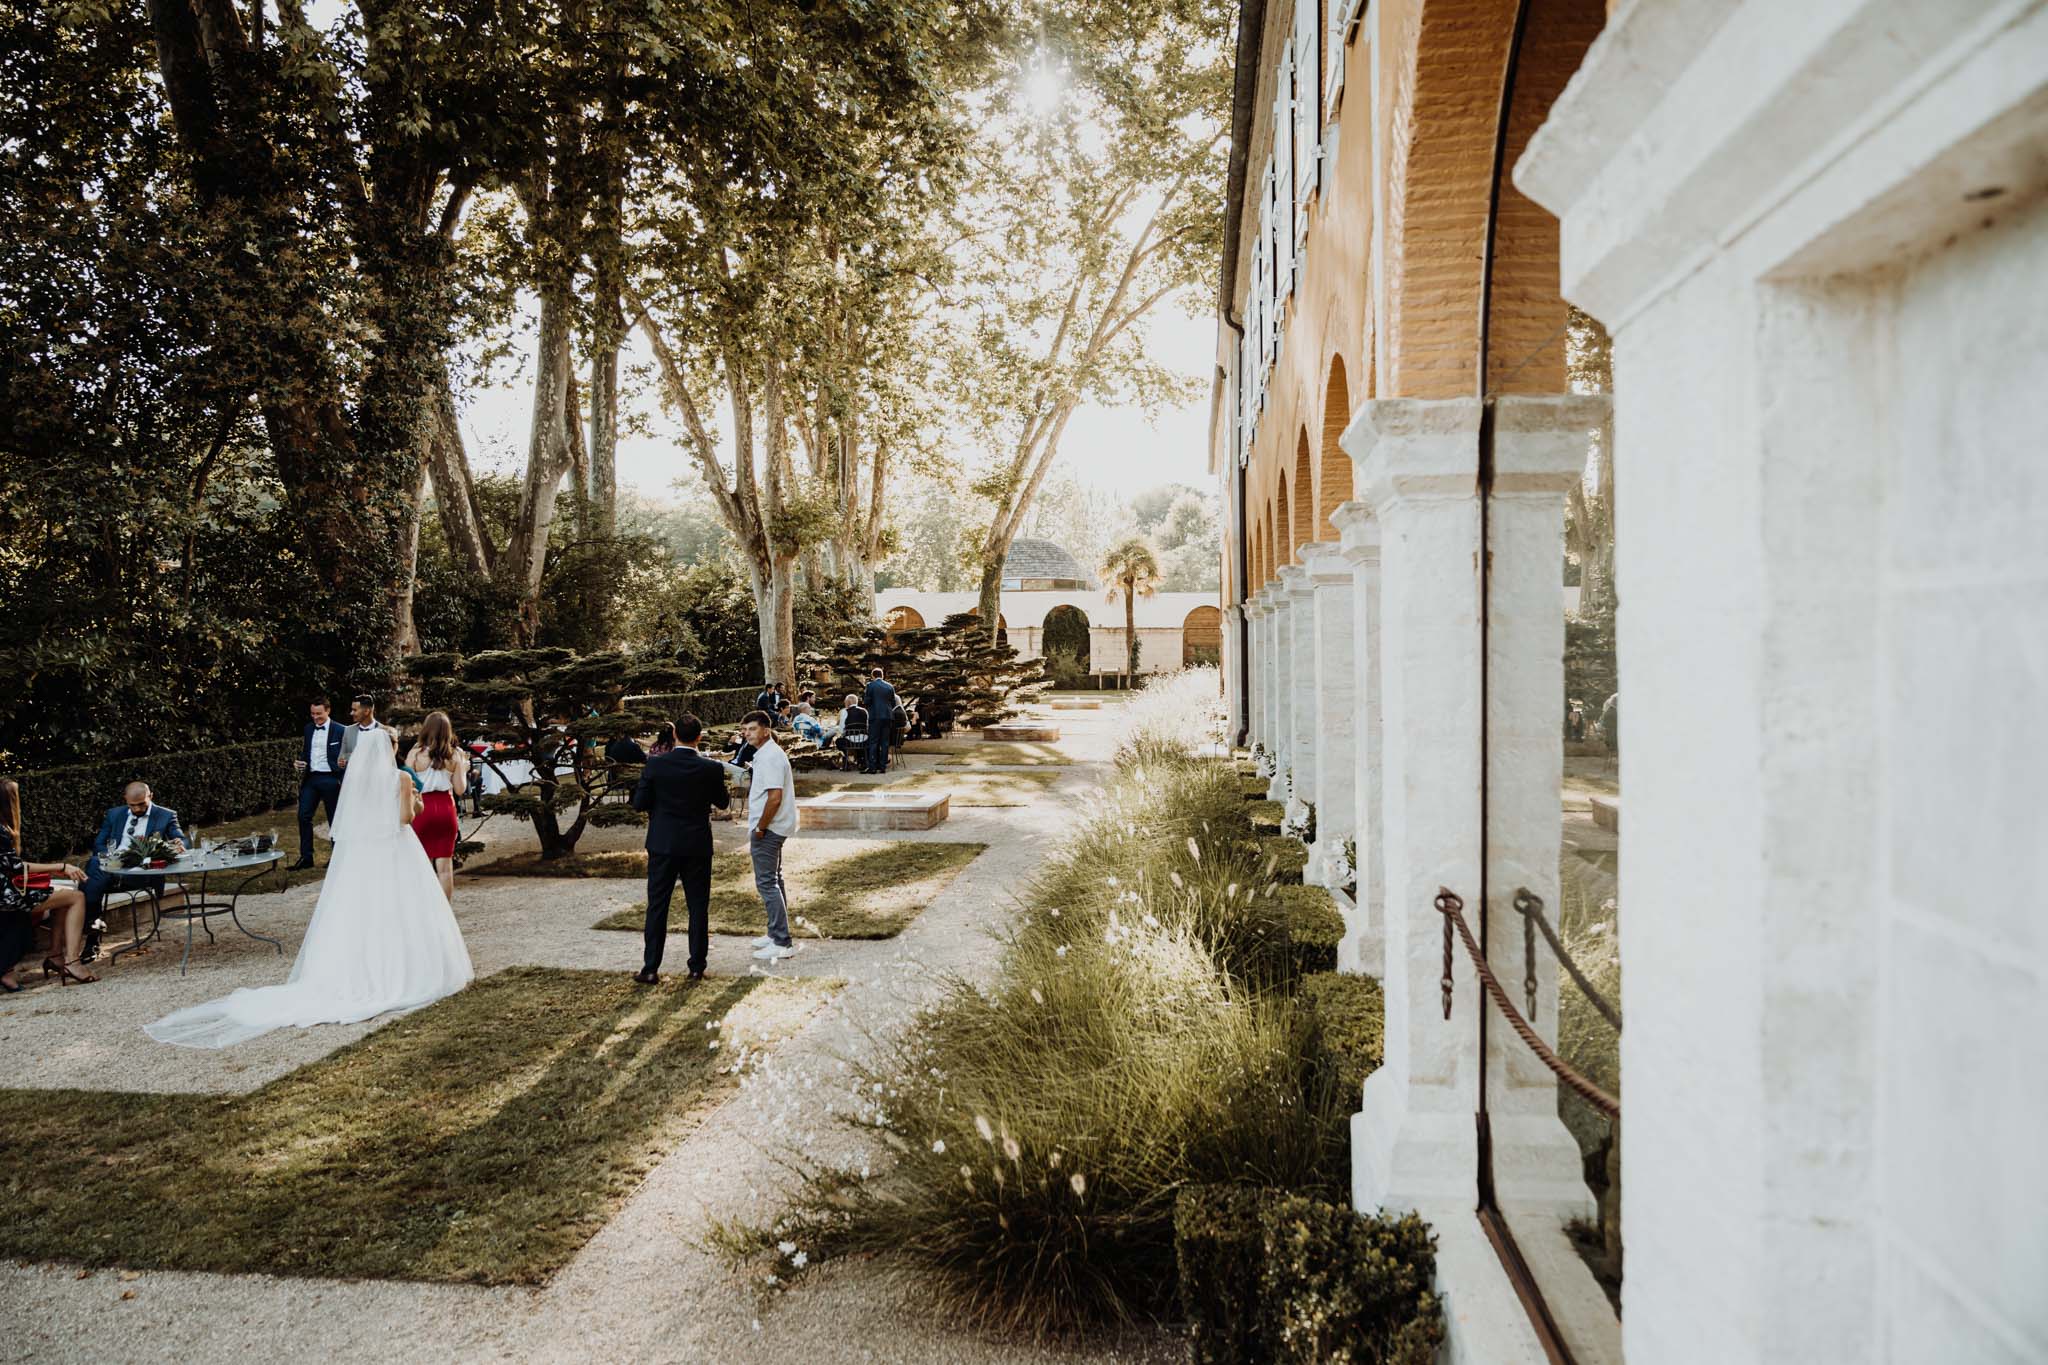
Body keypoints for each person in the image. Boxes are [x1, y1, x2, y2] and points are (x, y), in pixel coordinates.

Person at [145, 727, 472, 1048]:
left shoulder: (357, 781)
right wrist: (417, 803)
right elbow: (404, 818)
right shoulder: (399, 778)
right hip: (397, 848)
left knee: (367, 908)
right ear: (389, 749)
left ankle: (361, 971)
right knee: (400, 906)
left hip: (367, 854)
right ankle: (403, 969)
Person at [628, 714, 730, 985]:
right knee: (698, 906)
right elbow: (722, 803)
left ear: (675, 736)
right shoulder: (711, 768)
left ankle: (650, 967)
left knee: (657, 905)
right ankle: (696, 966)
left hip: (663, 842)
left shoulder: (656, 765)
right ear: (699, 737)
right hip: (696, 843)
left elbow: (639, 803)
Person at [0, 779, 94, 990]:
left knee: (65, 896)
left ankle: (55, 955)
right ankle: (72, 961)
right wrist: (61, 866)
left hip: (8, 891)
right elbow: (15, 866)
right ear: (11, 801)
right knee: (77, 897)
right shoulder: (1, 829)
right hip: (6, 897)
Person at [739, 711, 800, 962]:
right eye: (745, 729)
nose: (747, 733)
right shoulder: (763, 754)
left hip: (770, 828)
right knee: (775, 879)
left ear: (765, 730)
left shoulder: (771, 756)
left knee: (766, 882)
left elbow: (775, 797)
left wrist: (761, 827)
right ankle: (775, 932)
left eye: (752, 729)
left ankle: (782, 941)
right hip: (774, 826)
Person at [83, 782, 186, 923]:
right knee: (95, 864)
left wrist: (178, 843)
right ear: (125, 798)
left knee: (90, 882)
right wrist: (111, 858)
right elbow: (99, 844)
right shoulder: (114, 814)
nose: (137, 809)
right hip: (112, 867)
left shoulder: (166, 815)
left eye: (142, 804)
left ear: (151, 796)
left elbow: (182, 840)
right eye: (132, 805)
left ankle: (90, 928)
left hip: (142, 872)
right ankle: (92, 928)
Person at [405, 711, 469, 902]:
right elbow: (460, 789)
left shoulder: (415, 754)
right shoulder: (456, 755)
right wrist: (463, 769)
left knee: (421, 865)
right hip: (445, 809)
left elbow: (407, 785)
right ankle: (445, 915)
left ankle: (424, 910)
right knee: (445, 868)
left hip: (422, 809)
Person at [292, 696, 347, 870]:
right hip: (311, 778)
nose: (315, 717)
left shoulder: (341, 730)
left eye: (319, 714)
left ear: (328, 711)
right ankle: (306, 858)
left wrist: (344, 766)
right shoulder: (308, 729)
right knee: (303, 816)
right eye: (312, 714)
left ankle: (336, 858)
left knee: (334, 820)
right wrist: (300, 762)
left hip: (331, 778)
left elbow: (350, 755)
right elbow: (307, 753)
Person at [340, 694, 398, 769]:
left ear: (366, 711)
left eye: (355, 710)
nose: (351, 713)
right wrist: (342, 762)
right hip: (353, 777)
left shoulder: (386, 732)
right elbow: (341, 757)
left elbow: (389, 759)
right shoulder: (348, 730)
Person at [860, 667, 899, 775]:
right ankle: (882, 767)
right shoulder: (890, 686)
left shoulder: (870, 686)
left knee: (873, 741)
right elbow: (893, 703)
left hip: (875, 716)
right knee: (884, 742)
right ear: (882, 675)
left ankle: (872, 767)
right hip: (887, 716)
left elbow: (867, 701)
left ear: (873, 676)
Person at [834, 693, 869, 766]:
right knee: (859, 743)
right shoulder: (864, 711)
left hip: (850, 741)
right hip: (864, 740)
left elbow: (841, 728)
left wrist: (843, 734)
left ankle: (847, 761)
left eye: (845, 702)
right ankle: (861, 759)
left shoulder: (845, 711)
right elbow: (868, 726)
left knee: (838, 742)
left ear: (848, 702)